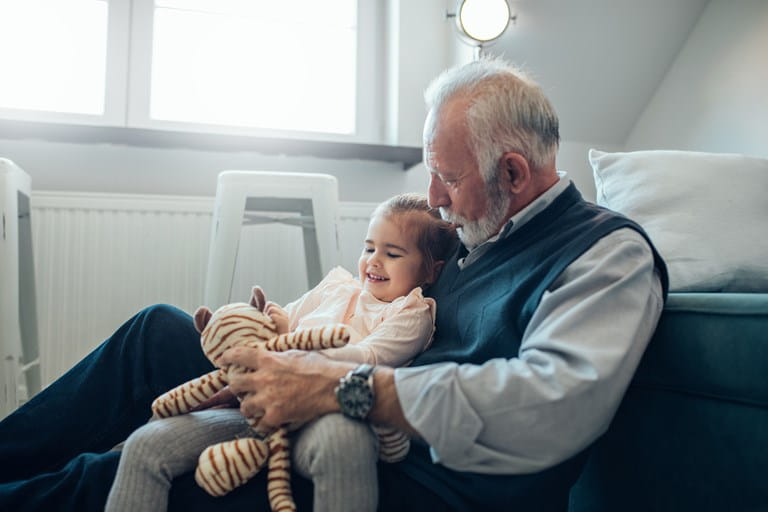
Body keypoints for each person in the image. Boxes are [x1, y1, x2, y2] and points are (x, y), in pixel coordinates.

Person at [0, 56, 668, 511]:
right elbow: (375, 311)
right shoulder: (476, 232)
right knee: (157, 334)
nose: (434, 199)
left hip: (413, 473)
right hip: (353, 406)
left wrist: (339, 388)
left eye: (448, 178)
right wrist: (282, 339)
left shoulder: (605, 256)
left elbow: (550, 402)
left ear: (514, 174)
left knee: (134, 469)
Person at [103, 193, 458, 512]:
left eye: (392, 254)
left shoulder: (411, 314)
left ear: (431, 270)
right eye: (369, 249)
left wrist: (290, 344)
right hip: (261, 406)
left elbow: (368, 358)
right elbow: (280, 324)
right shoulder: (337, 287)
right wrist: (252, 326)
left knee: (344, 442)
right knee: (146, 444)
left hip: (323, 416)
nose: (374, 261)